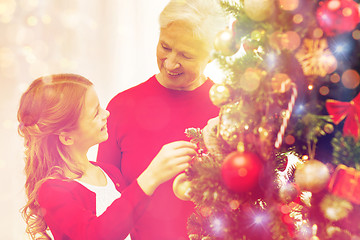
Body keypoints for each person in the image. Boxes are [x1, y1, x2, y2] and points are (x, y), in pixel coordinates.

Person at [96, 0, 227, 239]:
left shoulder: (230, 110)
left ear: (212, 55)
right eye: (165, 46)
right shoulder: (121, 106)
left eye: (186, 55)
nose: (170, 63)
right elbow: (105, 201)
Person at [18, 74, 197, 240]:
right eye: (95, 113)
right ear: (66, 137)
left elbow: (132, 218)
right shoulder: (52, 190)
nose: (106, 114)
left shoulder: (110, 173)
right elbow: (97, 234)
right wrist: (152, 176)